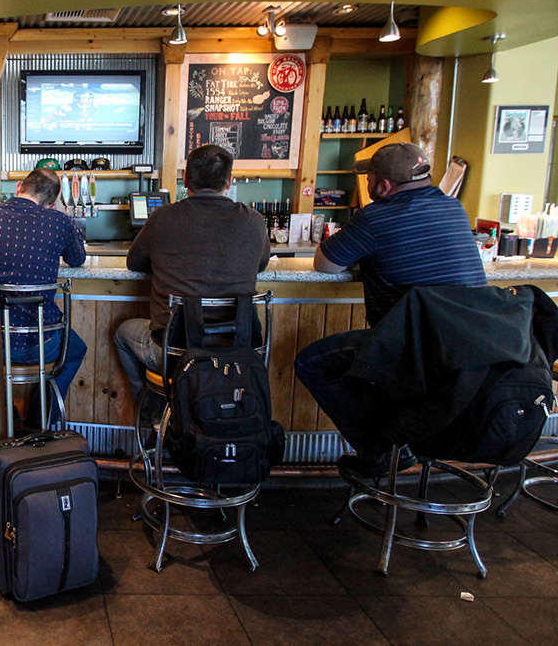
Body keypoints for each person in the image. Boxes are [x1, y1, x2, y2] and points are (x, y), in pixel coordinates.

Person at [295, 142, 488, 474]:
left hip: (417, 351)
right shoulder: (454, 208)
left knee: (312, 363)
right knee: (373, 365)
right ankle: (402, 436)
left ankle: (381, 449)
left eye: (368, 178)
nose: (366, 185)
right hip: (472, 353)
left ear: (383, 186)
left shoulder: (374, 218)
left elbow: (325, 264)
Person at [114, 144, 269, 423]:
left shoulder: (162, 218)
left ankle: (153, 412)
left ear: (185, 180)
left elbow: (134, 263)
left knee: (122, 333)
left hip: (174, 352)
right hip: (238, 351)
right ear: (229, 181)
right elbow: (261, 265)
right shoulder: (254, 221)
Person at [0, 168, 87, 429]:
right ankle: (38, 423)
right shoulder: (59, 221)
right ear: (52, 204)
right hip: (42, 343)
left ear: (19, 186)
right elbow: (78, 259)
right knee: (76, 349)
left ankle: (2, 412)